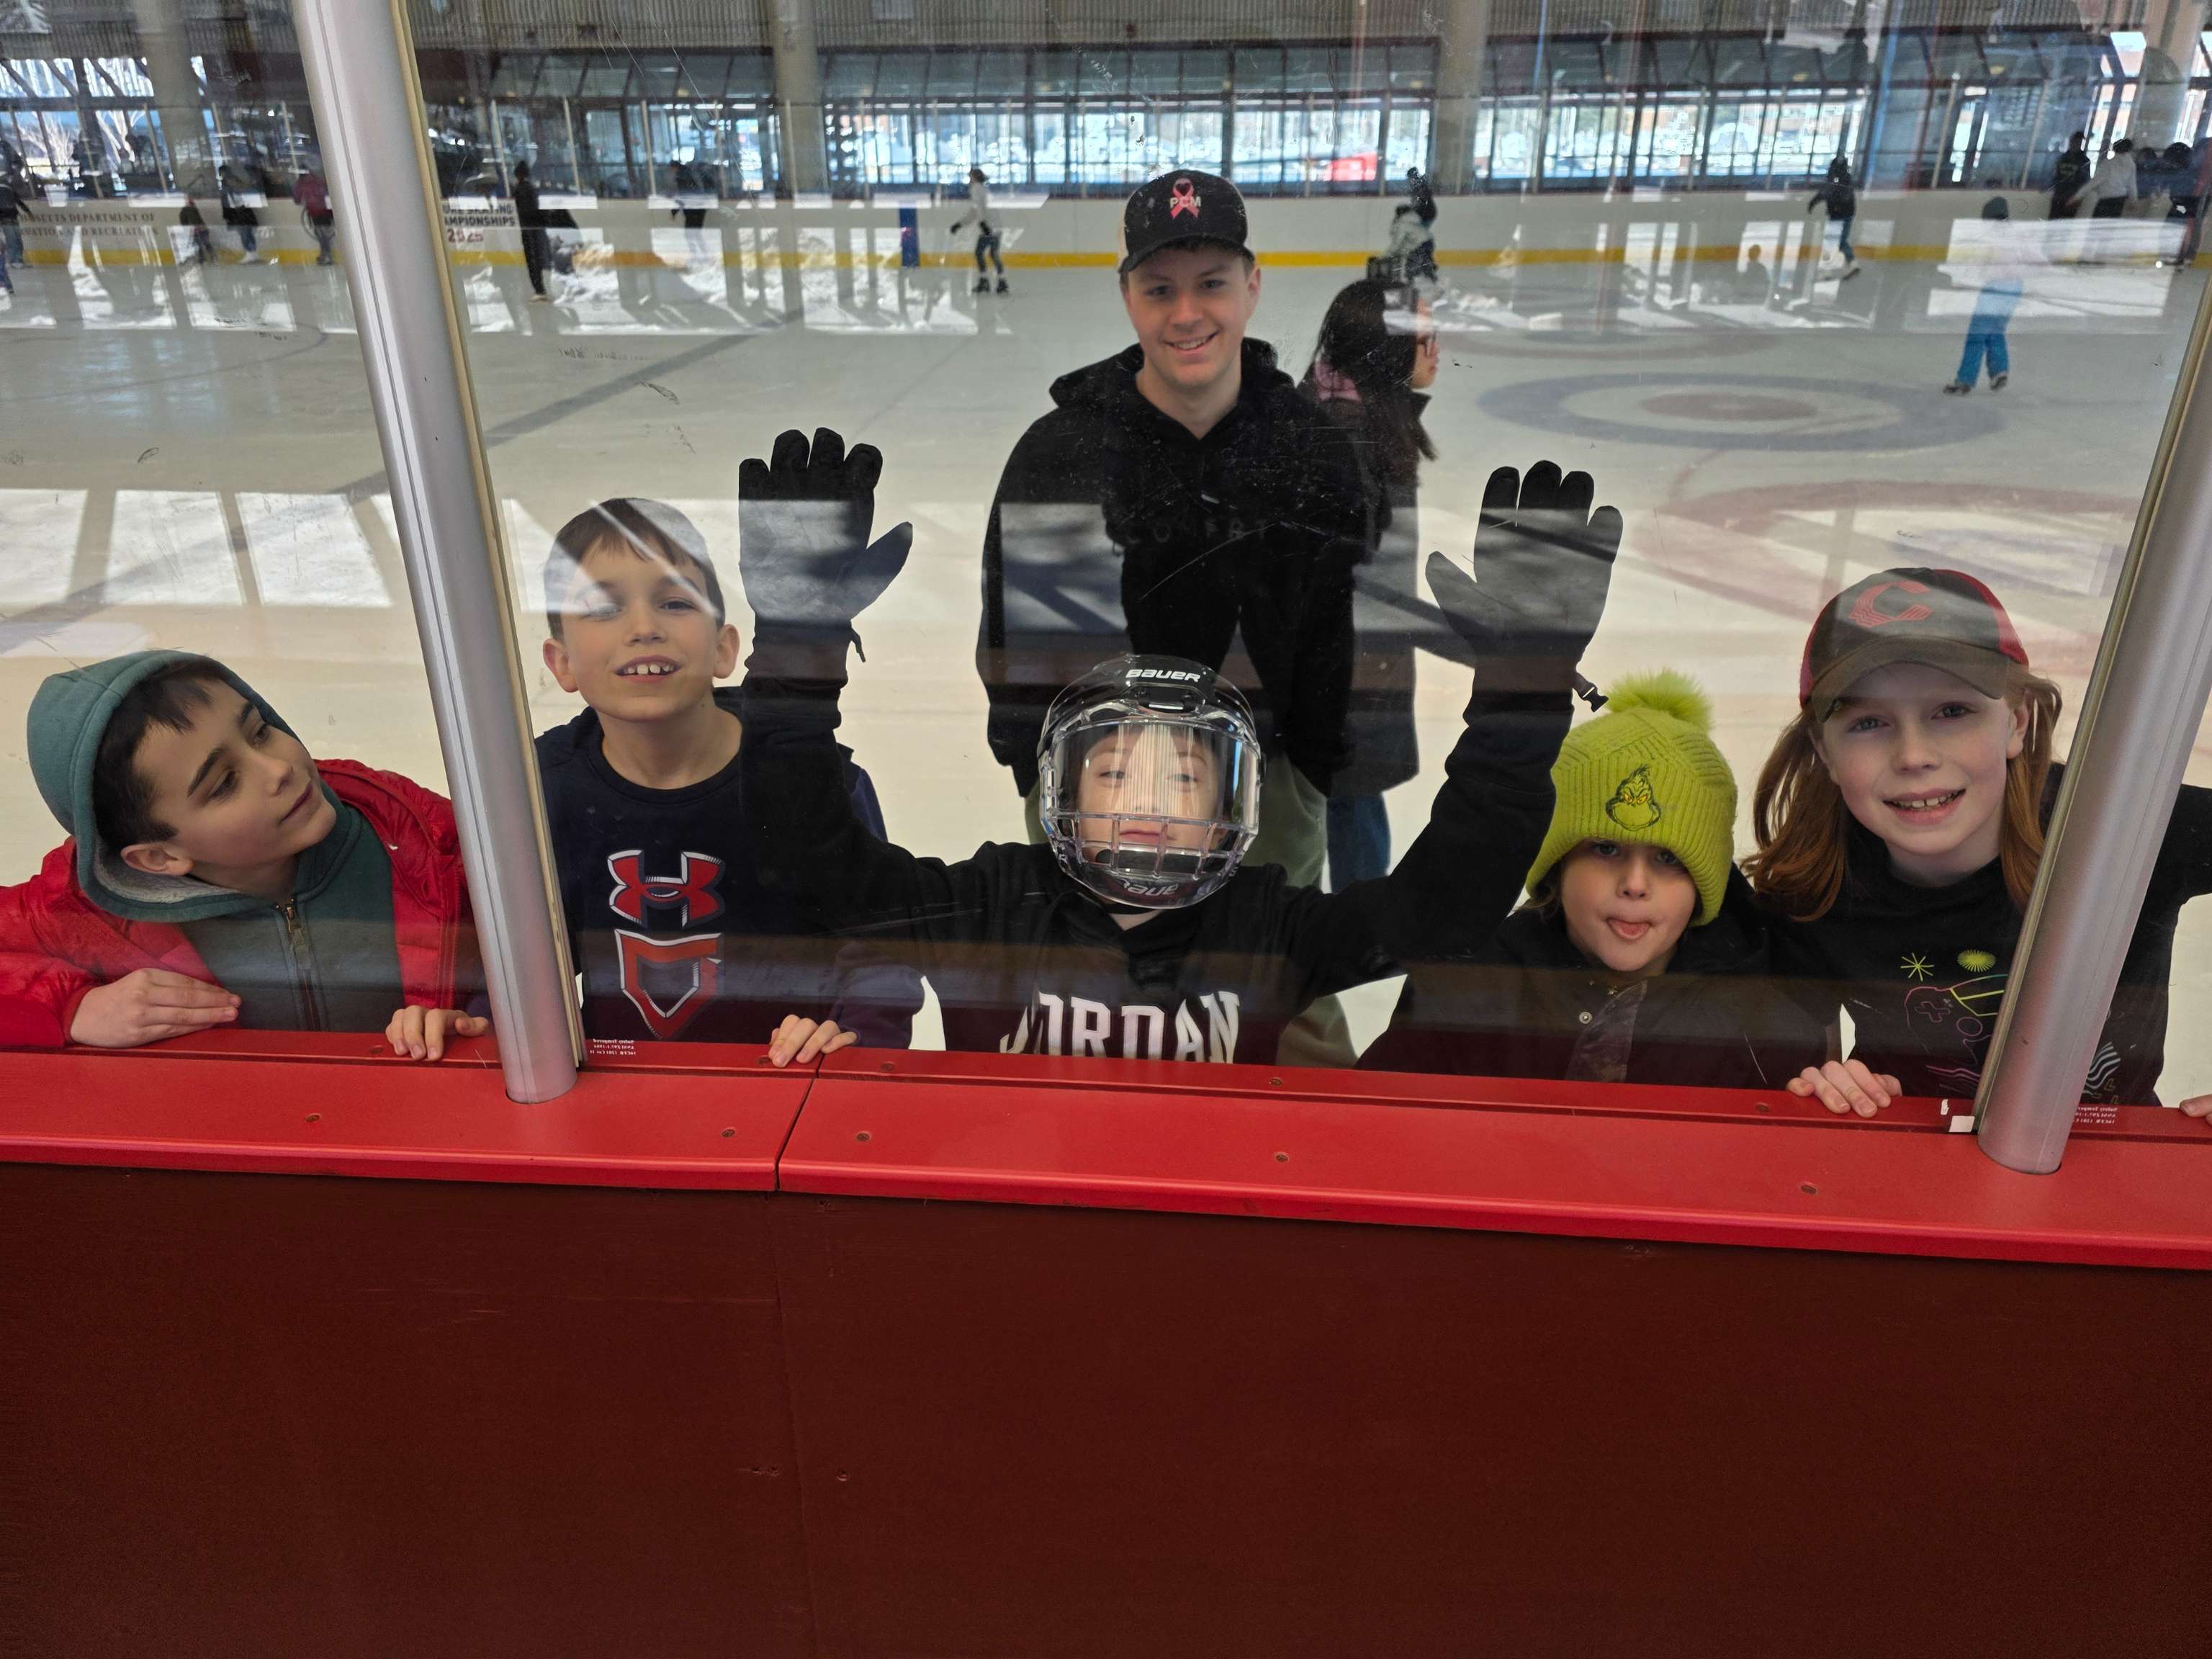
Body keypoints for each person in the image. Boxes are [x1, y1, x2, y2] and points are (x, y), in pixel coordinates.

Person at [742, 429, 1619, 1064]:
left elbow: (1443, 910)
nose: (1149, 802)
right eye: (1116, 769)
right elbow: (821, 865)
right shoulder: (995, 907)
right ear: (1061, 788)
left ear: (1234, 802)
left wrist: (1522, 693)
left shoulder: (1267, 927)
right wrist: (795, 650)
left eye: (1187, 776)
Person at [976, 169, 1369, 904]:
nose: (1187, 314)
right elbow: (1015, 630)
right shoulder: (1061, 452)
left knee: (1267, 975)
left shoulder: (1311, 451)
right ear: (1128, 297)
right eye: (1160, 289)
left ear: (1252, 286)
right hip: (1095, 791)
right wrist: (1037, 772)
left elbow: (1336, 630)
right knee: (1099, 974)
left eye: (1211, 284)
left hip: (1271, 793)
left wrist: (1311, 774)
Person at [1743, 569, 2212, 1117]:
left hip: (2115, 1148)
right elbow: (1797, 1057)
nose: (1914, 756)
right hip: (1914, 1151)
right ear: (1825, 751)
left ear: (2017, 720)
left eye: (1951, 711)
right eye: (1869, 723)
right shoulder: (1815, 888)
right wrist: (1830, 1083)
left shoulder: (2118, 825)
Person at [536, 498, 919, 1064]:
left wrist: (852, 1035)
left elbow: (882, 953)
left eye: (673, 602)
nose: (644, 628)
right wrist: (460, 1017)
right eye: (603, 608)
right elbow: (508, 966)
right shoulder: (539, 790)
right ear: (561, 663)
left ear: (724, 648)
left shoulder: (815, 774)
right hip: (616, 1097)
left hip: (796, 1089)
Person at [0, 652, 484, 1059]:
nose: (278, 769)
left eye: (259, 732)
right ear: (158, 858)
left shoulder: (426, 841)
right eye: (225, 783)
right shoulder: (83, 911)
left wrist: (476, 1022)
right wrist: (72, 1009)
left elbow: (526, 948)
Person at [1362, 672, 1820, 1087]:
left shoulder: (1762, 1016)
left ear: (1706, 882)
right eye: (1605, 849)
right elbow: (1381, 1120)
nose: (1635, 884)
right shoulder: (1468, 990)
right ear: (1557, 864)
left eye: (1668, 858)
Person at [1300, 278, 1457, 889]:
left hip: (1358, 657)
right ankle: (1356, 921)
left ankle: (1356, 913)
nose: (1436, 349)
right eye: (1424, 336)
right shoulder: (1346, 438)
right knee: (1349, 798)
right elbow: (1357, 583)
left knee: (1352, 796)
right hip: (1344, 664)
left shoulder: (1360, 415)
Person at [1943, 197, 2033, 395]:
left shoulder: (1991, 237)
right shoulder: (2020, 234)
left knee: (1977, 335)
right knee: (1996, 331)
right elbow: (2036, 259)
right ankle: (1999, 371)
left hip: (1995, 289)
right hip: (2015, 289)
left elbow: (1979, 264)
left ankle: (1965, 380)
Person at [948, 166, 1007, 295]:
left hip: (988, 227)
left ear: (974, 178)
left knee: (979, 253)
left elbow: (979, 209)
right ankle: (1002, 281)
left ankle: (984, 281)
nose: (969, 180)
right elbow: (975, 212)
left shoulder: (976, 189)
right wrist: (960, 224)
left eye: (970, 177)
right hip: (996, 226)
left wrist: (982, 224)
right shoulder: (984, 190)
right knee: (993, 254)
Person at [1806, 155, 1859, 278]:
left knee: (1830, 243)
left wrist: (1813, 203)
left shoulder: (1834, 178)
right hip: (1848, 214)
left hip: (1836, 216)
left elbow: (1825, 192)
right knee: (1842, 241)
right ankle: (1852, 263)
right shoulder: (1847, 179)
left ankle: (1827, 271)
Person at [511, 160, 551, 302]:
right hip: (536, 228)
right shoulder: (533, 189)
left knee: (532, 260)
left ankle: (539, 289)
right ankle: (543, 288)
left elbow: (521, 209)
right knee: (539, 258)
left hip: (527, 229)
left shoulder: (519, 190)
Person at [2073, 137, 2136, 220]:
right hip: (2120, 200)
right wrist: (2133, 200)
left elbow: (2094, 182)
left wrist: (2077, 196)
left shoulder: (2108, 163)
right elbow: (2132, 185)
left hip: (2106, 199)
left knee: (2098, 224)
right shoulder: (2131, 165)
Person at [1384, 204, 1437, 286]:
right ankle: (1433, 280)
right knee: (1423, 264)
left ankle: (1412, 285)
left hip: (1420, 245)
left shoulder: (1403, 223)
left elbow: (1398, 242)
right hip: (1428, 242)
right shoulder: (1413, 220)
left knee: (1411, 266)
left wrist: (1389, 254)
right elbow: (1408, 242)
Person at [219, 162, 261, 262]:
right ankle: (251, 252)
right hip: (239, 211)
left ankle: (251, 253)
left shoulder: (230, 183)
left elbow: (229, 198)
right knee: (245, 232)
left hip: (240, 211)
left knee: (245, 232)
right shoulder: (228, 183)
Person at [294, 166, 335, 266]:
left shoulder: (301, 183)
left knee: (321, 234)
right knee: (324, 234)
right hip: (326, 211)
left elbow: (297, 200)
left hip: (314, 212)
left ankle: (327, 255)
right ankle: (325, 254)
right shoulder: (319, 180)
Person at [2049, 131, 2092, 220]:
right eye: (2075, 141)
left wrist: (2077, 197)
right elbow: (2055, 175)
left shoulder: (2084, 160)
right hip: (2059, 195)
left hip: (2071, 197)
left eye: (2078, 141)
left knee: (2066, 223)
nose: (2076, 143)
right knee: (2053, 222)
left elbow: (2085, 181)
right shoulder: (2063, 158)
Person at [178, 195, 213, 267]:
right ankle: (204, 259)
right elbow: (186, 224)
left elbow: (196, 221)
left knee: (203, 245)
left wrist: (200, 228)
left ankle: (206, 259)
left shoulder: (192, 210)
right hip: (197, 231)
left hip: (200, 230)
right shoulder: (187, 211)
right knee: (201, 245)